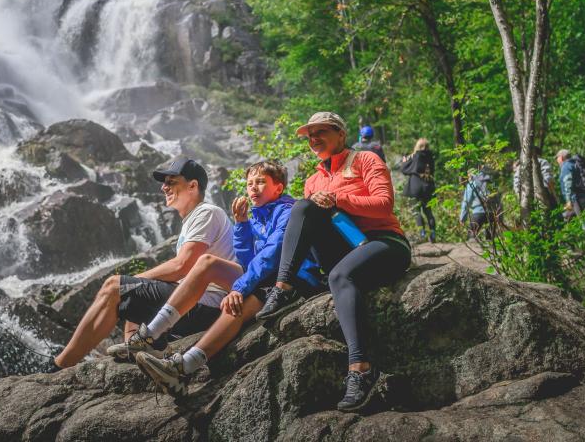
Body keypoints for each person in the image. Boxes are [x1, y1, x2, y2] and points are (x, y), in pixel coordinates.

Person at [254, 111, 411, 412]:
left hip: (384, 242)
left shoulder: (365, 160)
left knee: (340, 277)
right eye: (310, 136)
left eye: (320, 132)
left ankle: (361, 370)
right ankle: (283, 286)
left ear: (340, 134)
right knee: (302, 207)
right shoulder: (313, 179)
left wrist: (339, 199)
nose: (314, 139)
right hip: (344, 250)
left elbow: (385, 204)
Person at [133, 160, 323, 396]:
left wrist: (239, 288)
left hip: (296, 278)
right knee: (236, 302)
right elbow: (247, 260)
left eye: (261, 182)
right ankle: (173, 358)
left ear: (279, 188)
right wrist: (242, 225)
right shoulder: (256, 217)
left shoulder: (287, 211)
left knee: (238, 304)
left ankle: (182, 366)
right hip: (269, 280)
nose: (253, 188)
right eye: (250, 183)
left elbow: (271, 256)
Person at [46, 157, 235, 371]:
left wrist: (133, 282)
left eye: (171, 182)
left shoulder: (206, 212)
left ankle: (59, 365)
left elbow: (181, 266)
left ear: (193, 186)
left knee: (113, 286)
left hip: (207, 307)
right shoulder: (192, 220)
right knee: (129, 298)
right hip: (195, 306)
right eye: (164, 183)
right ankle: (134, 351)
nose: (164, 187)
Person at [399, 138, 437, 244]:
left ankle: (422, 234)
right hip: (428, 186)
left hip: (415, 186)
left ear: (418, 146)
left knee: (416, 211)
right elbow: (432, 171)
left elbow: (404, 169)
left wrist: (404, 161)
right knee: (428, 212)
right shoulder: (431, 157)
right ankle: (433, 234)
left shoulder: (415, 156)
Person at [556, 149, 585, 243]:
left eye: (557, 158)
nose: (556, 160)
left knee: (584, 222)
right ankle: (571, 245)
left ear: (561, 157)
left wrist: (568, 200)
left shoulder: (566, 166)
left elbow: (567, 183)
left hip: (576, 198)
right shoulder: (574, 164)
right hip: (583, 195)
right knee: (566, 217)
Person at [459, 166, 496, 240]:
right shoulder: (490, 182)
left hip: (478, 213)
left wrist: (462, 218)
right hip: (492, 214)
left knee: (472, 238)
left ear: (470, 175)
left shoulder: (472, 183)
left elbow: (466, 202)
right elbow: (497, 199)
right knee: (490, 241)